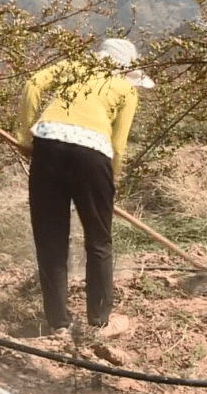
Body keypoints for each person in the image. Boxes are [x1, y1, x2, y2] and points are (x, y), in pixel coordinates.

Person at [17, 39, 154, 339]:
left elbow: (32, 84)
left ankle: (58, 325)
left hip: (48, 145)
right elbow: (118, 145)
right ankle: (101, 322)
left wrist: (26, 135)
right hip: (93, 157)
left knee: (51, 241)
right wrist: (110, 182)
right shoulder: (126, 90)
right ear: (126, 69)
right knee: (99, 241)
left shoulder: (73, 68)